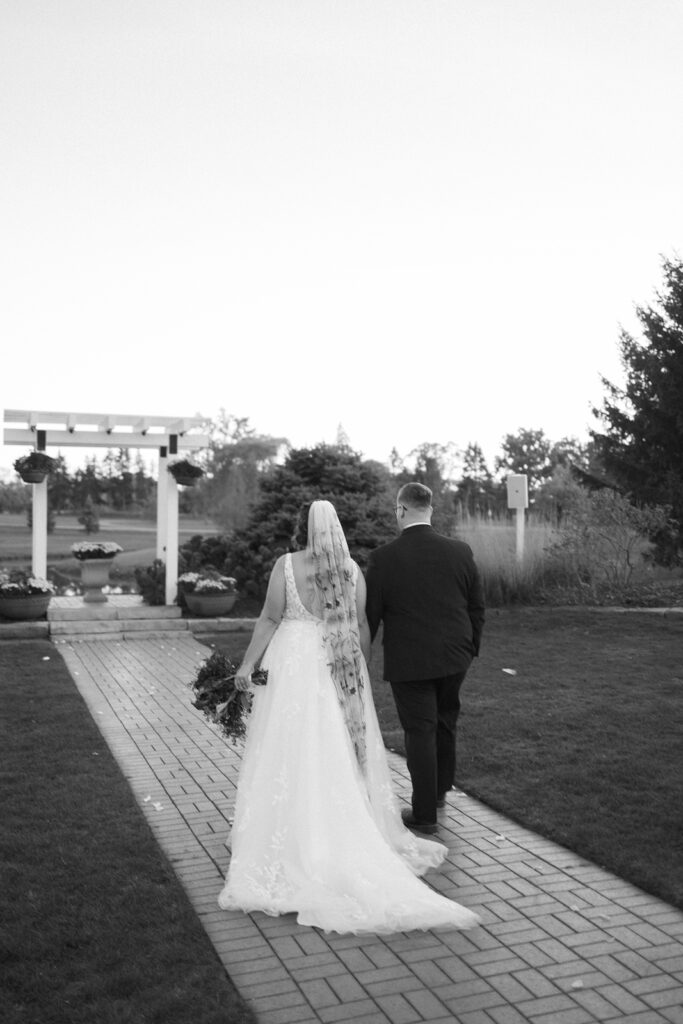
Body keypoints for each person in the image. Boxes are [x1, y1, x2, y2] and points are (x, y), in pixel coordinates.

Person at [217, 499, 479, 935]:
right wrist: (358, 669)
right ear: (336, 527)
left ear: (307, 527)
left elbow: (268, 618)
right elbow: (359, 625)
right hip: (335, 666)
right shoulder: (352, 571)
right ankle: (336, 829)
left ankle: (282, 831)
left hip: (292, 663)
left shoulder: (285, 565)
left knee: (286, 743)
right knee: (333, 744)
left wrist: (246, 666)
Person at [365, 483, 485, 837]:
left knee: (420, 730)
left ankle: (424, 814)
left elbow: (371, 615)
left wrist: (362, 654)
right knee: (445, 722)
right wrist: (471, 648)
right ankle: (438, 793)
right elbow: (476, 606)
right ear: (429, 509)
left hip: (411, 661)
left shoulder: (383, 558)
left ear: (401, 510)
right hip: (455, 657)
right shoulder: (460, 551)